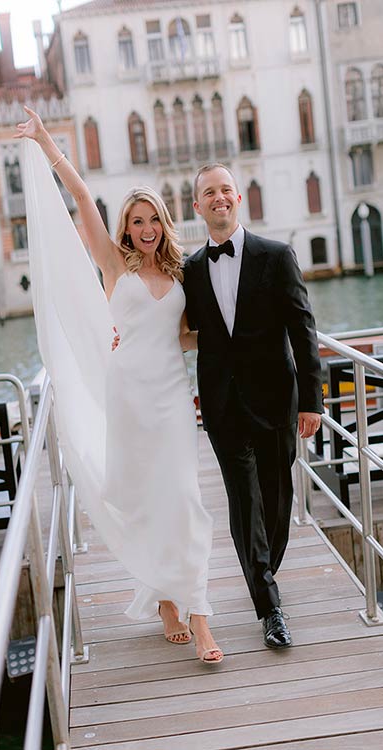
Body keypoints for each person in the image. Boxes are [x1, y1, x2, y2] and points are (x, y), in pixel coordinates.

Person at [15, 108, 223, 664]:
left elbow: (183, 337)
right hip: (128, 397)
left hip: (173, 399)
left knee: (185, 498)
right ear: (127, 228)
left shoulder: (180, 275)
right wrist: (45, 142)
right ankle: (164, 600)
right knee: (147, 500)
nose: (146, 229)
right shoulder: (114, 265)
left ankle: (199, 616)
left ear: (164, 223)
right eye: (136, 221)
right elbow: (83, 201)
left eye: (152, 219)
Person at [182, 163, 323, 649]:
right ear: (196, 206)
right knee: (244, 502)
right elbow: (176, 328)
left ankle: (263, 571)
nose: (218, 198)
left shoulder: (277, 256)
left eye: (225, 189)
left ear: (237, 198)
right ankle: (270, 607)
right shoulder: (192, 270)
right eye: (208, 193)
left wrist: (313, 401)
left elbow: (304, 331)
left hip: (276, 402)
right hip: (222, 407)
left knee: (276, 498)